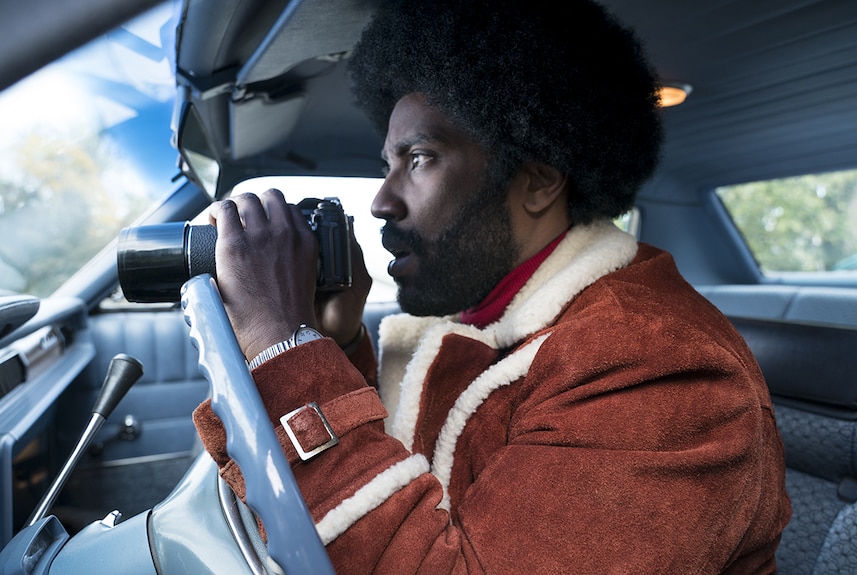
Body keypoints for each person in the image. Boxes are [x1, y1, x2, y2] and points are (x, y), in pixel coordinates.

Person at [192, 0, 792, 572]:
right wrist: (337, 344)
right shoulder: (477, 311)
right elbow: (418, 469)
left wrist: (283, 348)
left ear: (538, 182)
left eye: (421, 158)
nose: (381, 200)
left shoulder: (659, 367)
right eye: (387, 165)